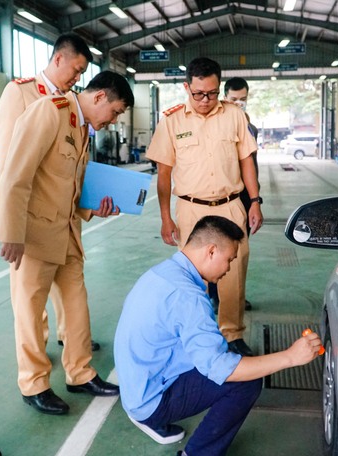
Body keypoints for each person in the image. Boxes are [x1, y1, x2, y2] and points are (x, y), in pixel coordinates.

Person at [0, 70, 135, 415]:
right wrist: (12, 232)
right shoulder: (50, 111)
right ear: (98, 98)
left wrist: (95, 207)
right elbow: (16, 172)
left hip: (65, 233)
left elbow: (67, 184)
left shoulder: (79, 126)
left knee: (76, 304)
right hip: (33, 236)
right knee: (30, 313)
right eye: (115, 112)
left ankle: (80, 372)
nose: (113, 121)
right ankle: (33, 383)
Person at [114, 216, 322, 456]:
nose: (229, 268)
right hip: (150, 400)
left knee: (226, 353)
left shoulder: (163, 272)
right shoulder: (189, 297)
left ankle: (150, 415)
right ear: (211, 251)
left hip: (136, 384)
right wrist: (290, 357)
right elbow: (223, 369)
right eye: (229, 260)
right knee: (246, 380)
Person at [146, 57, 262, 357]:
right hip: (191, 210)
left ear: (219, 87)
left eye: (211, 93)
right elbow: (164, 175)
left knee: (233, 274)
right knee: (192, 275)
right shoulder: (171, 121)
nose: (205, 100)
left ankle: (232, 335)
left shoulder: (234, 115)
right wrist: (165, 218)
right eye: (198, 93)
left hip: (230, 205)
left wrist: (255, 201)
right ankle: (195, 336)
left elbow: (246, 160)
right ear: (187, 87)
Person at [0, 32, 101, 353]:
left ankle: (71, 338)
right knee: (31, 299)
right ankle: (36, 351)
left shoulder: (74, 107)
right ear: (58, 59)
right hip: (32, 219)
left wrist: (87, 206)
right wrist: (10, 226)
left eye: (83, 74)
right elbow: (8, 163)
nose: (78, 77)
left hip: (64, 219)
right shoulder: (22, 93)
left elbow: (74, 170)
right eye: (76, 70)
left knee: (68, 290)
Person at [207, 77, 261, 313]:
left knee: (238, 251)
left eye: (243, 100)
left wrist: (255, 200)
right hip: (222, 193)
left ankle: (234, 297)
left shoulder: (251, 127)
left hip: (244, 196)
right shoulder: (215, 125)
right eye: (234, 99)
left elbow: (252, 165)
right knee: (215, 247)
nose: (239, 104)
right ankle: (214, 295)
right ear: (224, 97)